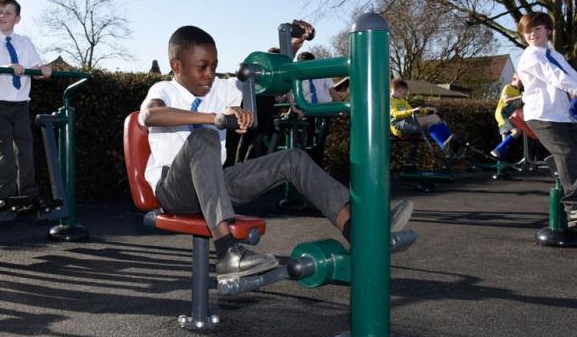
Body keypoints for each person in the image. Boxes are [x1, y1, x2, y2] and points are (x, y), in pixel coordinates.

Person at [139, 26, 413, 280]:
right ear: (177, 66)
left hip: (215, 184)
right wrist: (216, 118)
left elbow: (264, 76)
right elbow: (151, 114)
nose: (209, 74)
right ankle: (227, 252)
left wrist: (293, 44)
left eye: (214, 66)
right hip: (174, 192)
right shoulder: (164, 89)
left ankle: (360, 230)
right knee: (204, 136)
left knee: (292, 159)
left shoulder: (219, 88)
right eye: (202, 67)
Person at [516, 12, 577, 224]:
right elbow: (556, 78)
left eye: (537, 29)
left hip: (561, 116)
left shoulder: (554, 54)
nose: (532, 34)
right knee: (566, 152)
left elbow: (574, 77)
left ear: (547, 30)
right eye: (528, 31)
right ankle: (574, 207)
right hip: (541, 116)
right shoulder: (531, 57)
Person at [0, 0, 53, 213]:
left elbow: (36, 69)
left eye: (8, 13)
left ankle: (28, 196)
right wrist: (6, 67)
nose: (2, 16)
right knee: (4, 148)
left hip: (20, 102)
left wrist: (44, 70)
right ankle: (3, 197)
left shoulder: (25, 42)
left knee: (25, 148)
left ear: (17, 18)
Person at [235, 20, 315, 163]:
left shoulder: (276, 74)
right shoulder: (261, 74)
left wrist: (293, 106)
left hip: (265, 104)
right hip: (255, 102)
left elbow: (287, 84)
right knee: (250, 137)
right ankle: (242, 169)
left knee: (256, 139)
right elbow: (287, 75)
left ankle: (248, 169)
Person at [286, 51, 342, 163]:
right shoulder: (297, 77)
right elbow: (289, 93)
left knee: (320, 142)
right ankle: (306, 167)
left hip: (323, 110)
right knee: (306, 141)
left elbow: (332, 91)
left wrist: (340, 108)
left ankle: (317, 166)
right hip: (306, 110)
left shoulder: (323, 72)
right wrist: (291, 109)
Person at [390, 79, 457, 155]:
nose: (404, 95)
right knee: (434, 118)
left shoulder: (402, 101)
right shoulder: (389, 101)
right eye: (404, 92)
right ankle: (445, 145)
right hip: (400, 127)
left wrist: (428, 109)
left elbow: (415, 112)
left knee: (434, 120)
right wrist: (411, 111)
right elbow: (396, 114)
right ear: (399, 90)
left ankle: (449, 145)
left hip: (408, 122)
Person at [490, 73, 524, 159]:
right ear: (514, 78)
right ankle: (496, 149)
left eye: (522, 82)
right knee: (517, 132)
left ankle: (500, 170)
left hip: (508, 114)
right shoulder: (507, 87)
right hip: (502, 113)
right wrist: (519, 97)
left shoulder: (517, 90)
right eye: (519, 81)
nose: (521, 83)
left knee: (504, 143)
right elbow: (505, 100)